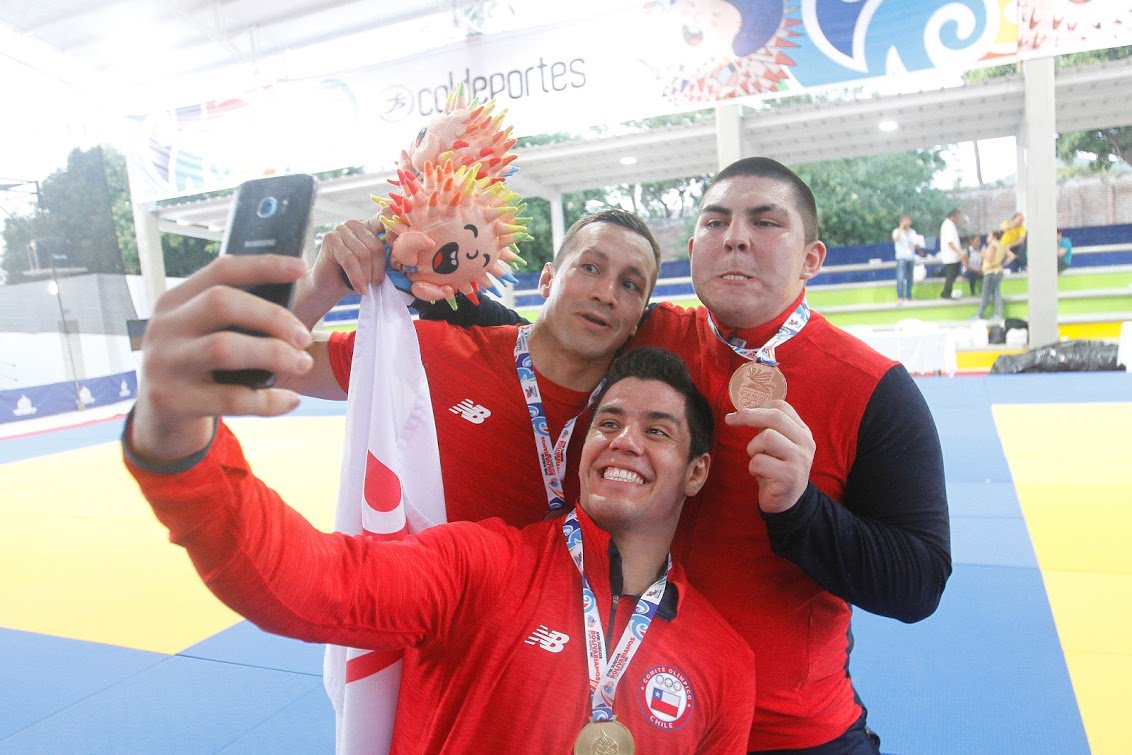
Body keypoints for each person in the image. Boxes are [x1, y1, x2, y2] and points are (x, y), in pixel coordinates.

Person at [426, 157, 952, 753]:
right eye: (715, 222)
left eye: (765, 222)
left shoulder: (875, 388)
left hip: (785, 733)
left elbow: (919, 585)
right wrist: (418, 277)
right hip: (620, 715)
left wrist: (802, 510)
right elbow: (540, 340)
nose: (735, 238)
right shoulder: (648, 334)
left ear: (812, 259)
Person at [122, 294, 758, 754]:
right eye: (610, 422)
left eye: (657, 430)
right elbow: (312, 582)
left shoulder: (724, 661)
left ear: (696, 472)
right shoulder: (485, 567)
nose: (623, 442)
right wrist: (179, 445)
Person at [283, 208, 661, 526]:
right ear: (547, 279)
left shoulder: (640, 427)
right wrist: (322, 284)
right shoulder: (433, 352)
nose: (605, 294)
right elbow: (272, 366)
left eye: (630, 285)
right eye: (591, 267)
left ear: (638, 317)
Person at [975, 229, 1015, 320]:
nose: (987, 238)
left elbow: (989, 259)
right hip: (998, 271)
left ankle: (980, 314)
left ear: (993, 236)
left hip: (990, 272)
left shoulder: (993, 245)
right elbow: (1012, 256)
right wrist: (1001, 263)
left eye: (989, 236)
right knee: (996, 293)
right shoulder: (1002, 245)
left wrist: (983, 254)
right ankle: (999, 313)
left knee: (985, 293)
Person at [890, 214, 922, 303]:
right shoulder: (896, 231)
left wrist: (918, 244)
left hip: (910, 257)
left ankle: (909, 295)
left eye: (908, 220)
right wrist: (901, 228)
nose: (907, 222)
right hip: (901, 257)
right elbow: (896, 239)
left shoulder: (912, 232)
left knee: (910, 278)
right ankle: (900, 296)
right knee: (900, 277)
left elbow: (916, 243)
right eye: (904, 220)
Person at [938, 208, 964, 299]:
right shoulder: (947, 225)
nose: (959, 218)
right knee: (951, 275)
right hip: (950, 255)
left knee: (954, 273)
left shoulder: (950, 225)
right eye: (958, 216)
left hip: (954, 256)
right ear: (953, 216)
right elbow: (950, 242)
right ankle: (946, 293)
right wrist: (958, 251)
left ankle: (946, 292)